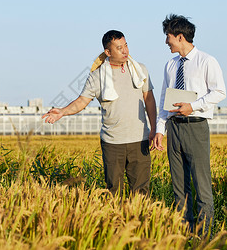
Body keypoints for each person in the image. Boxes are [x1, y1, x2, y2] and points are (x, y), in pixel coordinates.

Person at [43, 30, 157, 196]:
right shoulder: (96, 77)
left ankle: (140, 222)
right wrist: (62, 111)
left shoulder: (140, 70)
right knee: (113, 193)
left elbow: (149, 100)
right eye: (119, 48)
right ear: (108, 52)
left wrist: (154, 129)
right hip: (112, 142)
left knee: (141, 193)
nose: (125, 50)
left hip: (139, 140)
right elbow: (82, 101)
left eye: (126, 45)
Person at [153, 14, 226, 236]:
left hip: (196, 126)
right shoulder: (170, 65)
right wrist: (159, 129)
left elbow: (220, 92)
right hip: (174, 128)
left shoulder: (207, 61)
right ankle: (185, 234)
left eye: (168, 37)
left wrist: (192, 106)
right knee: (179, 186)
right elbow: (165, 98)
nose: (166, 41)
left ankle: (203, 236)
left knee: (201, 185)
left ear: (180, 36)